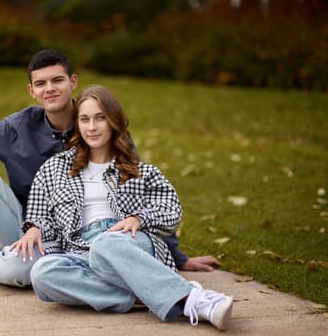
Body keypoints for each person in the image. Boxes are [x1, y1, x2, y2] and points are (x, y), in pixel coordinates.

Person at [0, 49, 219, 297]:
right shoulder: (17, 127)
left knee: (27, 275)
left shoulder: (100, 124)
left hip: (86, 238)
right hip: (29, 229)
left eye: (57, 80)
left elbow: (139, 192)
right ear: (32, 90)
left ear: (72, 82)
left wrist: (175, 255)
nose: (50, 88)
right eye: (41, 83)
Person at [13, 85, 233, 330]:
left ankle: (198, 302)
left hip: (128, 242)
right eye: (84, 119)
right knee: (42, 273)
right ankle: (163, 295)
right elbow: (39, 213)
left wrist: (138, 218)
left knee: (105, 243)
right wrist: (34, 228)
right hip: (79, 251)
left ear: (113, 121)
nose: (92, 127)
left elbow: (172, 209)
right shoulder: (54, 169)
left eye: (100, 118)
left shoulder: (142, 171)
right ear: (77, 124)